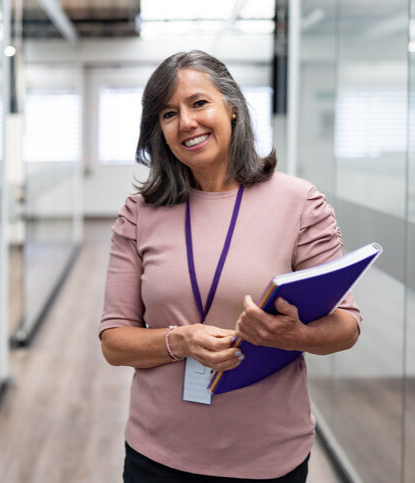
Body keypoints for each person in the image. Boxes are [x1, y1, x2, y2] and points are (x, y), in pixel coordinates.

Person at [99, 50, 361, 483]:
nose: (186, 122)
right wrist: (180, 340)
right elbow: (114, 342)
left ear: (232, 108)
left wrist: (299, 335)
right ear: (159, 131)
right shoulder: (140, 213)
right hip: (158, 454)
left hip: (269, 456)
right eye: (168, 113)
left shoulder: (299, 203)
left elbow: (347, 326)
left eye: (199, 103)